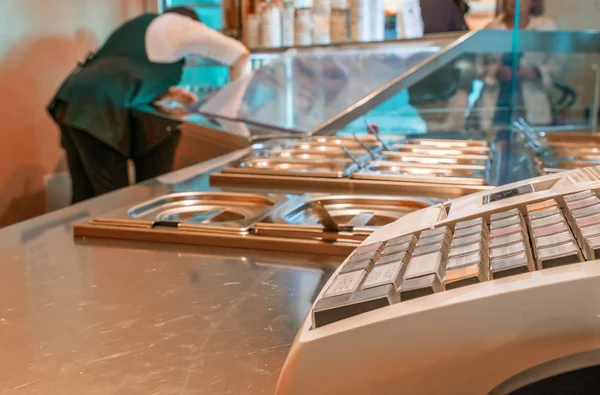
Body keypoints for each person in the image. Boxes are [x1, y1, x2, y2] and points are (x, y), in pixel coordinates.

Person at [47, 7, 249, 203]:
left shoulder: (141, 25)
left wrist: (169, 94)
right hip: (96, 108)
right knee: (112, 199)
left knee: (85, 197)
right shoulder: (179, 26)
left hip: (70, 99)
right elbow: (240, 54)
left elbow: (124, 72)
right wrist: (233, 105)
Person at [471, 0, 560, 129]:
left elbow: (557, 62)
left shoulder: (545, 28)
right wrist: (495, 71)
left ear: (533, 2)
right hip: (496, 102)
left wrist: (534, 72)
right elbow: (478, 65)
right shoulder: (491, 28)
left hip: (532, 102)